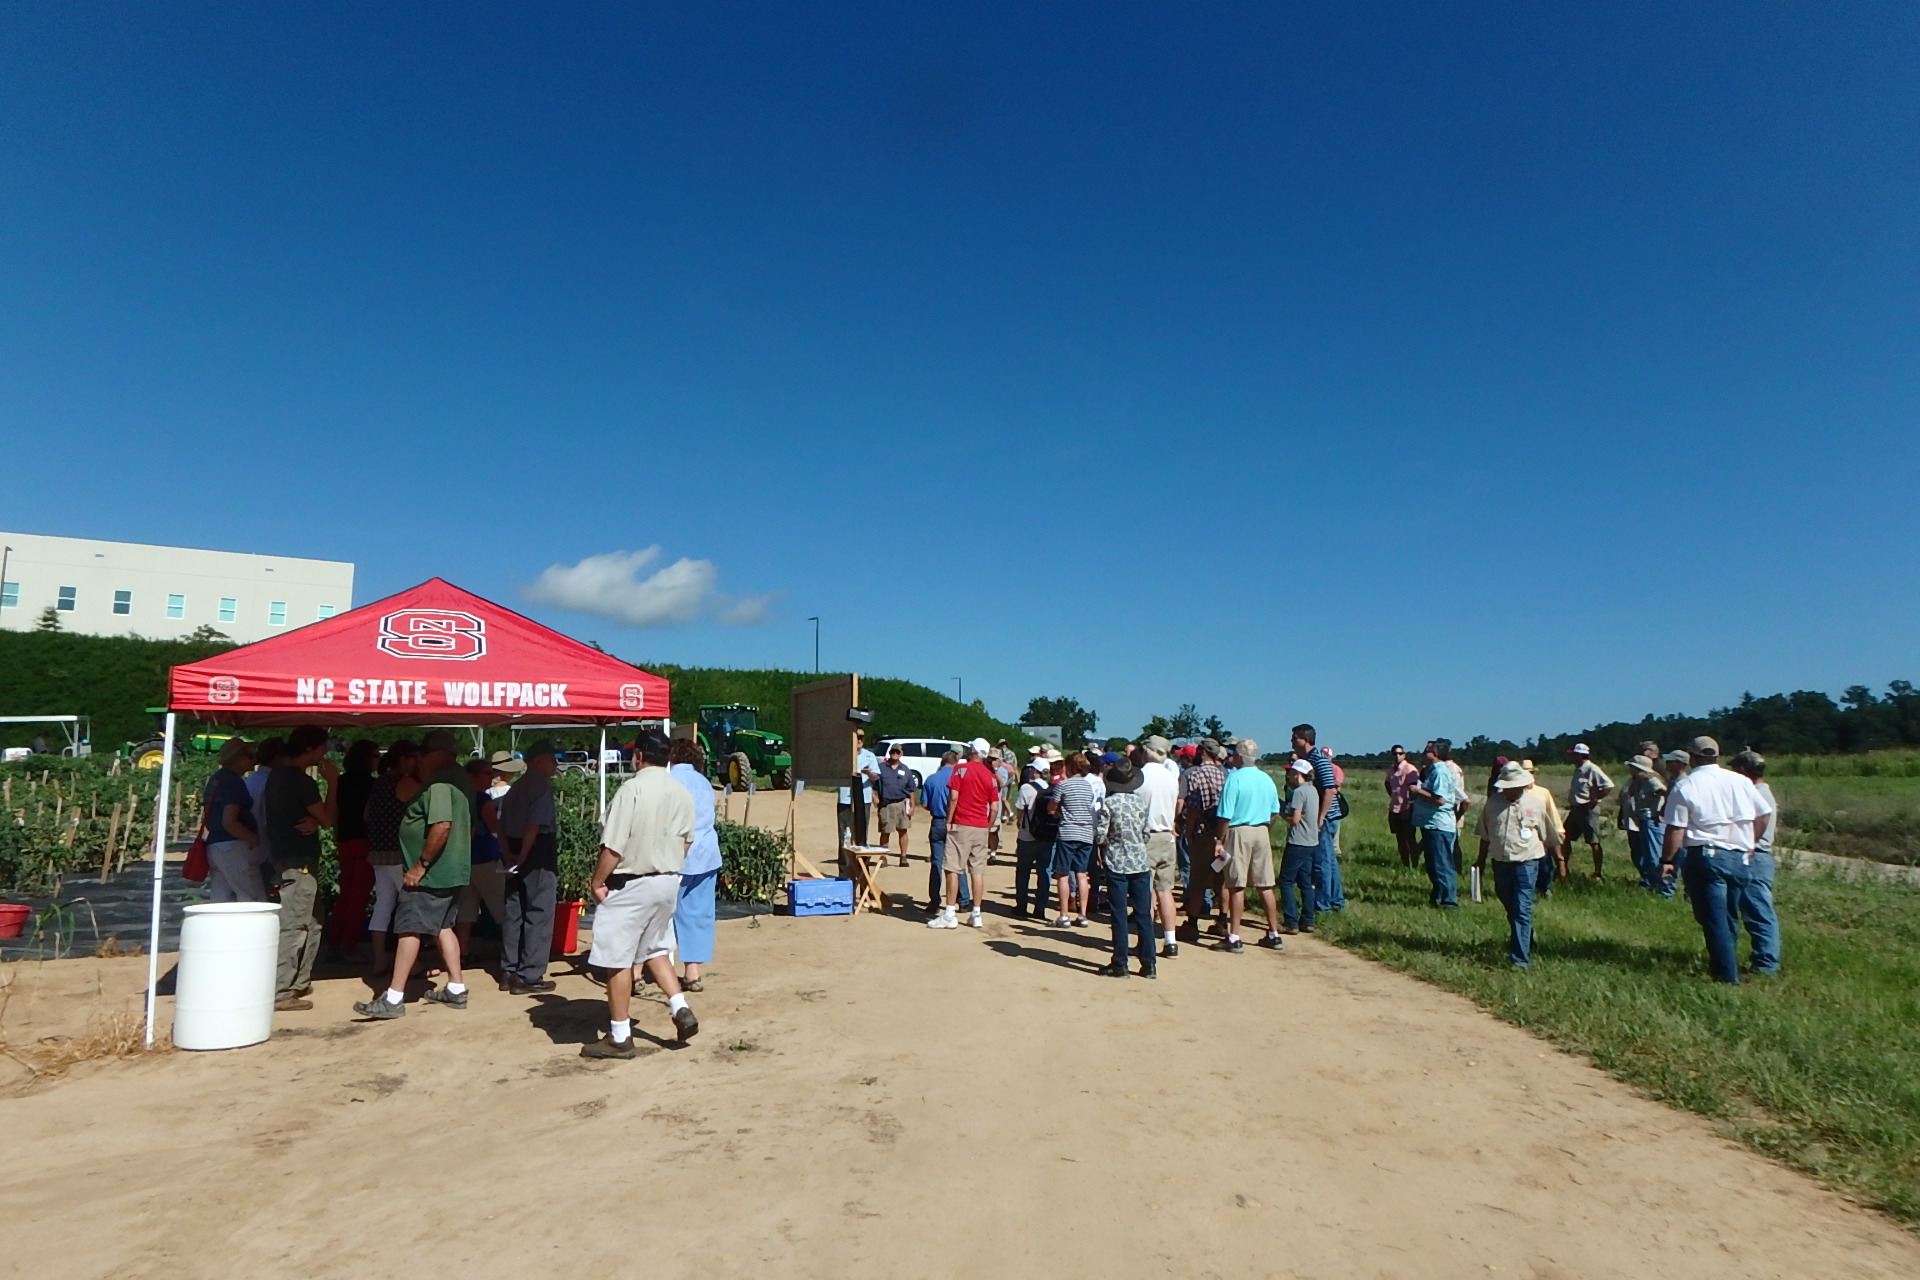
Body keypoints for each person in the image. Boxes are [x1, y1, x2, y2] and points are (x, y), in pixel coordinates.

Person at [578, 730, 699, 1057]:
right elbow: (687, 841)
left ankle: (620, 1036)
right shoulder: (681, 791)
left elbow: (613, 846)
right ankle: (679, 1006)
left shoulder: (631, 789)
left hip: (632, 880)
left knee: (616, 958)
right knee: (655, 947)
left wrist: (597, 881)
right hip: (668, 879)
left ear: (640, 756)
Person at [354, 730, 473, 1018]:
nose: (418, 762)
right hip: (450, 869)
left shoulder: (440, 783)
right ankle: (456, 988)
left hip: (431, 873)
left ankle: (393, 998)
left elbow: (442, 824)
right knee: (443, 926)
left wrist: (421, 865)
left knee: (409, 927)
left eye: (421, 756)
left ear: (433, 755)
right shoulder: (456, 779)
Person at [1659, 737, 1776, 983]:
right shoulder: (1740, 781)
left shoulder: (1687, 785)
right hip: (1739, 856)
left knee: (1714, 919)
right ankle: (1727, 961)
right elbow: (1764, 813)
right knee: (1729, 915)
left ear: (1691, 757)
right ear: (1718, 756)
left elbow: (1676, 828)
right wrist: (1751, 842)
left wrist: (1667, 860)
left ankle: (1726, 976)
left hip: (1706, 855)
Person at [264, 725, 338, 1011]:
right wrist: (333, 783)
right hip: (300, 862)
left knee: (312, 921)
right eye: (321, 748)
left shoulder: (276, 777)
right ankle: (282, 989)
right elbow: (328, 817)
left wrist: (315, 821)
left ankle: (299, 981)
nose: (324, 753)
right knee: (296, 923)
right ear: (309, 749)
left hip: (286, 857)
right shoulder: (301, 782)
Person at [1474, 762, 1561, 967]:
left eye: (1515, 786)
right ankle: (1526, 937)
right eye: (1507, 787)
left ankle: (1520, 959)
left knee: (1522, 908)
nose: (1511, 790)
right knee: (1510, 905)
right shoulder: (1492, 804)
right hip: (1500, 861)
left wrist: (1560, 862)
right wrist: (1480, 860)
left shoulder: (1535, 804)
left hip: (1527, 862)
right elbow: (1485, 835)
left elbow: (1549, 836)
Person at [498, 740, 561, 994]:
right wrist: (524, 853)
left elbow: (499, 825)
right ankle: (530, 974)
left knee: (514, 908)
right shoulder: (540, 786)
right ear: (538, 761)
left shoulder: (516, 788)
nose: (555, 764)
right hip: (535, 848)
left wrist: (508, 854)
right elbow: (534, 824)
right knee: (539, 909)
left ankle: (509, 969)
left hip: (513, 848)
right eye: (551, 758)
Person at [1212, 738, 1283, 952]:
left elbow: (1225, 814)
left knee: (1236, 884)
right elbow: (1275, 810)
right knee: (1265, 883)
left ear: (1240, 756)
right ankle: (1273, 933)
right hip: (1261, 830)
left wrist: (1219, 839)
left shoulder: (1234, 779)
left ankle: (1234, 936)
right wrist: (1266, 828)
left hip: (1238, 830)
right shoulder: (1266, 779)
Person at [363, 740, 422, 980]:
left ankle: (379, 960)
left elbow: (366, 814)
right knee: (409, 908)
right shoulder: (406, 782)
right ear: (404, 760)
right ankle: (414, 964)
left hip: (378, 852)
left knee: (383, 906)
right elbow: (422, 810)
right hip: (400, 853)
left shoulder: (379, 783)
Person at [1095, 758, 1156, 978]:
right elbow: (1146, 834)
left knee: (1119, 914)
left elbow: (1101, 835)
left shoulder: (1109, 805)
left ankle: (1120, 963)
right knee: (1143, 914)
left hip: (1116, 862)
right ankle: (1149, 963)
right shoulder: (1140, 803)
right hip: (1139, 862)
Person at [928, 741, 999, 930]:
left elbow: (953, 797)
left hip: (962, 823)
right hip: (980, 826)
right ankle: (976, 913)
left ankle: (950, 912)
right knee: (977, 870)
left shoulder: (961, 769)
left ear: (972, 751)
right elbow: (994, 807)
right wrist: (987, 825)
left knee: (953, 868)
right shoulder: (990, 776)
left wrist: (949, 819)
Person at [670, 736, 721, 992]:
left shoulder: (670, 780)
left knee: (659, 914)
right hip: (707, 852)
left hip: (677, 853)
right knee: (699, 913)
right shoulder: (704, 782)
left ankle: (636, 972)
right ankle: (692, 972)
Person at [1727, 750, 1782, 978]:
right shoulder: (1760, 792)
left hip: (1755, 856)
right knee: (1752, 909)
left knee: (1759, 911)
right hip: (1756, 855)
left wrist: (1748, 844)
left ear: (1742, 770)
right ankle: (1763, 959)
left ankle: (1766, 963)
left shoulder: (1755, 794)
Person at [455, 755, 510, 964]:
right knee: (502, 906)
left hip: (464, 859)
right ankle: (512, 952)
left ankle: (462, 952)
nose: (492, 777)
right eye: (487, 773)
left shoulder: (460, 797)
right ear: (475, 776)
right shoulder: (482, 799)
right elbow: (495, 827)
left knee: (466, 909)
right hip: (486, 858)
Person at [326, 739, 380, 951]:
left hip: (344, 841)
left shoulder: (342, 781)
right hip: (365, 842)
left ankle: (335, 942)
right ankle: (348, 946)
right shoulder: (371, 784)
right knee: (359, 897)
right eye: (376, 755)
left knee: (346, 895)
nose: (379, 760)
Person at [201, 738, 265, 903]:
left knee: (221, 900)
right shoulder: (233, 782)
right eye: (250, 756)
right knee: (252, 899)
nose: (254, 759)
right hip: (233, 847)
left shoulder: (217, 778)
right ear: (237, 758)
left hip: (216, 846)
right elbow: (230, 822)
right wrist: (253, 838)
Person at [1178, 738, 1228, 940]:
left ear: (1202, 752)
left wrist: (1188, 831)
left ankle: (1192, 923)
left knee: (1198, 879)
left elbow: (1193, 808)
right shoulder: (1225, 775)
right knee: (1221, 878)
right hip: (1222, 834)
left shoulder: (1195, 775)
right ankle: (1223, 920)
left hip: (1202, 833)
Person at [1137, 735, 1182, 959]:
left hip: (1146, 836)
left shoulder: (1140, 776)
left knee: (1144, 891)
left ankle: (1145, 940)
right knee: (1165, 890)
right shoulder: (1172, 777)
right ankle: (1170, 940)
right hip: (1167, 835)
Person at [1291, 724, 1344, 913]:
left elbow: (1330, 789)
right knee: (1328, 860)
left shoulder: (1319, 760)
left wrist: (1321, 817)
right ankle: (1335, 900)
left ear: (1303, 739)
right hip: (1319, 816)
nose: (1291, 742)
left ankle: (1323, 903)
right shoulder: (1307, 759)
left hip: (1324, 817)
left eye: (1294, 738)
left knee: (1322, 861)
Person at [1046, 752, 1099, 929]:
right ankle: (1082, 914)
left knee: (1063, 874)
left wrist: (1058, 813)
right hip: (1086, 833)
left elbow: (1051, 807)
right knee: (1082, 874)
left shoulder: (1063, 785)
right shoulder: (1088, 786)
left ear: (1068, 767)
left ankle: (1064, 915)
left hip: (1068, 831)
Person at [1409, 739, 1462, 909]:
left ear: (1436, 754)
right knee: (1433, 864)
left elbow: (1440, 800)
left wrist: (1418, 791)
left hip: (1439, 825)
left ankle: (1448, 901)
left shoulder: (1440, 772)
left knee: (1442, 864)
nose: (1423, 754)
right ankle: (1438, 896)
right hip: (1431, 824)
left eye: (1427, 751)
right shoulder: (1432, 771)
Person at [919, 750, 968, 914]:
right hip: (955, 821)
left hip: (938, 821)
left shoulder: (931, 779)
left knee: (936, 863)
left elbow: (924, 804)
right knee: (958, 863)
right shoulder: (958, 778)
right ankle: (963, 900)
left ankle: (934, 901)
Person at [1278, 758, 1320, 935]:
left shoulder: (1299, 793)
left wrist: (1281, 813)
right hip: (1311, 841)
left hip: (1297, 841)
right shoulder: (1313, 791)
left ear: (1298, 774)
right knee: (1305, 881)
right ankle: (1308, 919)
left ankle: (1290, 920)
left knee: (1286, 880)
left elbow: (1294, 819)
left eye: (1292, 772)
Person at [1621, 755, 1672, 896]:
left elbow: (1665, 792)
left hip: (1651, 820)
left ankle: (1659, 885)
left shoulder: (1652, 781)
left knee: (1653, 854)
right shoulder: (1640, 782)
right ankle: (1652, 883)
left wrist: (1663, 808)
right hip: (1644, 820)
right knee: (1647, 853)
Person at [1013, 757, 1058, 919]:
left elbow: (1020, 812)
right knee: (1044, 872)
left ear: (1035, 771)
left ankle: (1021, 905)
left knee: (1023, 871)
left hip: (1027, 836)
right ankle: (1040, 908)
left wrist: (1021, 825)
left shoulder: (1026, 788)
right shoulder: (1053, 788)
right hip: (1048, 836)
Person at [1563, 743, 1615, 879]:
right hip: (1575, 809)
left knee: (1593, 841)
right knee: (1564, 837)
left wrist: (1595, 799)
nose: (1572, 757)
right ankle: (1563, 868)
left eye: (1574, 754)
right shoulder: (1579, 769)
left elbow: (1608, 785)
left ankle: (1597, 873)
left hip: (1587, 810)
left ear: (1580, 755)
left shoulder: (1592, 769)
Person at [874, 745, 917, 867]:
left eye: (897, 752)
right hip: (886, 804)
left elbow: (911, 789)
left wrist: (913, 806)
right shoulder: (881, 768)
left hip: (902, 804)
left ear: (901, 754)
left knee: (903, 831)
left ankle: (903, 857)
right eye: (893, 751)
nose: (895, 753)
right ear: (890, 752)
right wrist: (874, 798)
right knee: (885, 831)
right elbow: (870, 783)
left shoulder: (905, 769)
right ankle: (883, 857)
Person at [244, 737, 283, 868]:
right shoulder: (272, 782)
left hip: (250, 844)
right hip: (263, 847)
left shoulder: (251, 779)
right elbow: (269, 817)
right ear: (278, 757)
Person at [1384, 744, 1420, 869]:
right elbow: (1387, 783)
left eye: (1400, 753)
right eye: (1395, 753)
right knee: (1400, 838)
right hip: (1394, 808)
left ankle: (1414, 864)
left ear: (1404, 755)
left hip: (1406, 809)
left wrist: (1410, 803)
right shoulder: (1392, 770)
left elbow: (1414, 788)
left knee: (1410, 838)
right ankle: (1405, 863)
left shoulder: (1410, 769)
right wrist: (1393, 796)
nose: (1397, 756)